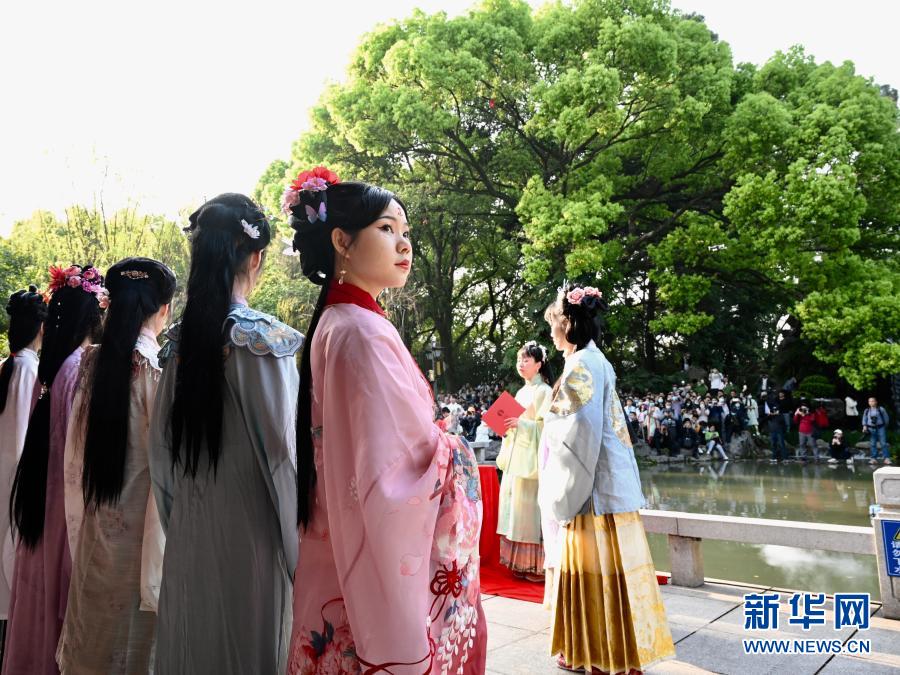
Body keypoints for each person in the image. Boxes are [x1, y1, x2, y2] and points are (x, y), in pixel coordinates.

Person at [284, 168, 486, 674]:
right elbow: (397, 470)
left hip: (338, 543)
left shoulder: (341, 322)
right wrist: (455, 452)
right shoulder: (361, 332)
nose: (404, 244)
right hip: (366, 551)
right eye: (386, 228)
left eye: (406, 232)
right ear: (342, 242)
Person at [149, 194, 302, 673]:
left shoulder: (179, 343)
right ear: (255, 258)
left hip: (190, 536)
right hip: (251, 541)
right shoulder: (260, 342)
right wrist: (300, 556)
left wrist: (182, 525)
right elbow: (283, 458)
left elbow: (160, 454)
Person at [538, 283, 674, 673]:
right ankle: (621, 654)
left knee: (592, 572)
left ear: (567, 325)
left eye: (553, 325)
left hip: (591, 488)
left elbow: (578, 426)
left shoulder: (581, 364)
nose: (551, 334)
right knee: (617, 574)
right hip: (610, 481)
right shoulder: (598, 360)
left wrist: (550, 424)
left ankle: (594, 654)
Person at [57, 258, 175, 673]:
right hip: (141, 547)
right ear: (164, 309)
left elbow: (75, 461)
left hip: (95, 534)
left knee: (92, 644)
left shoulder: (92, 364)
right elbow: (167, 473)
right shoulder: (156, 370)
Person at [5, 265, 104, 675]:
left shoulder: (51, 367)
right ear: (93, 318)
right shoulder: (81, 368)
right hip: (65, 502)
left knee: (37, 596)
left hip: (41, 498)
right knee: (56, 599)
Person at [0, 287, 47, 625]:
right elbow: (22, 429)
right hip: (14, 468)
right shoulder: (29, 368)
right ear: (41, 327)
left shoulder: (9, 364)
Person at [496, 341, 553, 581]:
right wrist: (505, 427)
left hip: (532, 460)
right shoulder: (520, 392)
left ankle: (537, 566)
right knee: (517, 509)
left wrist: (522, 424)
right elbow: (513, 423)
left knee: (531, 510)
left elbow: (548, 427)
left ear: (539, 364)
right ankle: (519, 563)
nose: (521, 363)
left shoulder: (545, 391)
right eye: (519, 359)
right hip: (517, 455)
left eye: (526, 359)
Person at [862, 397, 892, 465]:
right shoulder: (867, 410)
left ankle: (886, 459)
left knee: (883, 443)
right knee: (872, 444)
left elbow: (886, 418)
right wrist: (864, 426)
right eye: (869, 401)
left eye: (872, 401)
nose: (871, 403)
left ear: (876, 402)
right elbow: (864, 418)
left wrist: (884, 426)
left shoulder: (881, 409)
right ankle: (873, 459)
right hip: (871, 428)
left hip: (880, 427)